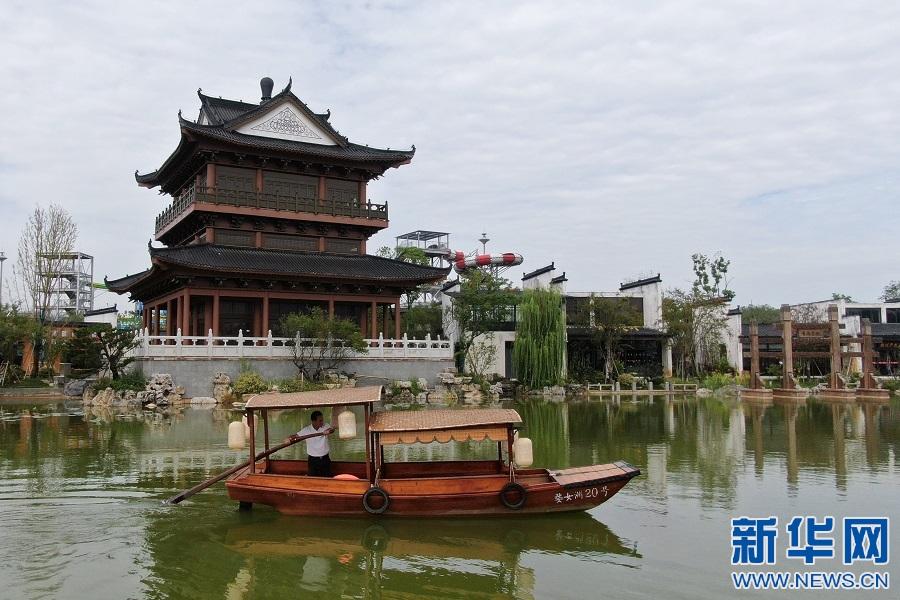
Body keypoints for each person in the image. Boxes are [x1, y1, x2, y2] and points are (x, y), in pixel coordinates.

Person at [285, 410, 335, 477]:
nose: (322, 422)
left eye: (322, 420)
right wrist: (289, 438)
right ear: (313, 421)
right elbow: (295, 436)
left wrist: (328, 431)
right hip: (313, 460)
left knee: (327, 478)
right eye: (320, 421)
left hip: (325, 459)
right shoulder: (306, 430)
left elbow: (332, 430)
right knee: (313, 479)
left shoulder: (325, 426)